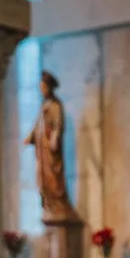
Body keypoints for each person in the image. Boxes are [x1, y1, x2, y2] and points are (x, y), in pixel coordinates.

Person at [26, 71, 80, 225]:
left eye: (43, 86)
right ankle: (49, 204)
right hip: (42, 150)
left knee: (54, 177)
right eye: (40, 87)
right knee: (43, 178)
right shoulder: (44, 106)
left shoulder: (56, 105)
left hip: (51, 149)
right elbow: (37, 125)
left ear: (49, 87)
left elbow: (58, 124)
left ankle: (58, 204)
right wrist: (30, 137)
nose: (41, 89)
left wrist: (55, 137)